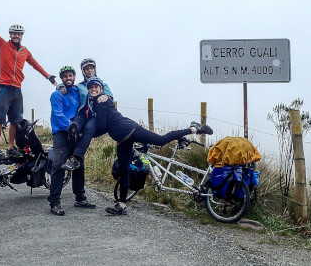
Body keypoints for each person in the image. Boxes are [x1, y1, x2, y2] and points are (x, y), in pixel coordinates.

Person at [85, 79, 213, 215]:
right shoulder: (96, 102)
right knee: (124, 170)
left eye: (96, 87)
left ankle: (194, 129)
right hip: (122, 139)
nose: (93, 89)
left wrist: (87, 134)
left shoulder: (101, 101)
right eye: (91, 87)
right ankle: (121, 205)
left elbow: (101, 125)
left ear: (101, 89)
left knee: (160, 140)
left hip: (129, 129)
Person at [0, 0, 56, 159]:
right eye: (14, 33)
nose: (16, 35)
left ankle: (10, 147)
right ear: (10, 34)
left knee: (15, 121)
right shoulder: (2, 45)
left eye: (19, 34)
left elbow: (35, 64)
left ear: (22, 35)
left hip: (17, 89)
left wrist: (48, 76)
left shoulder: (25, 51)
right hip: (4, 87)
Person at [47, 66, 96, 216]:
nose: (68, 78)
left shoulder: (77, 91)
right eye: (65, 77)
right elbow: (58, 114)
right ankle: (54, 202)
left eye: (70, 76)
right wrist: (71, 127)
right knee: (59, 166)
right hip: (62, 133)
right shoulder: (57, 95)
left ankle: (80, 198)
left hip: (76, 132)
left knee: (78, 165)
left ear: (74, 77)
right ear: (61, 79)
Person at [59, 58, 113, 171]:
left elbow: (109, 95)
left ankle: (76, 158)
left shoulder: (101, 84)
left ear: (95, 69)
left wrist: (106, 96)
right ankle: (72, 136)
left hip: (94, 115)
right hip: (83, 113)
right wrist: (60, 86)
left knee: (89, 129)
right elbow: (68, 85)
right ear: (83, 71)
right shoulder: (80, 86)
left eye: (91, 68)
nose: (89, 70)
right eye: (86, 69)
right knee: (75, 124)